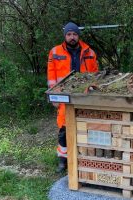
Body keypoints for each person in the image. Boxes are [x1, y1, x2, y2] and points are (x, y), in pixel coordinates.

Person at [47, 22, 98, 173]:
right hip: (63, 97)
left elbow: (95, 75)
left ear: (78, 35)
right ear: (65, 36)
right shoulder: (55, 52)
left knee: (84, 126)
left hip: (84, 96)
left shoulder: (89, 52)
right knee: (63, 128)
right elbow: (51, 76)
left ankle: (83, 158)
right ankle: (63, 160)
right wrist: (53, 96)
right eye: (69, 34)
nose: (72, 37)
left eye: (74, 34)